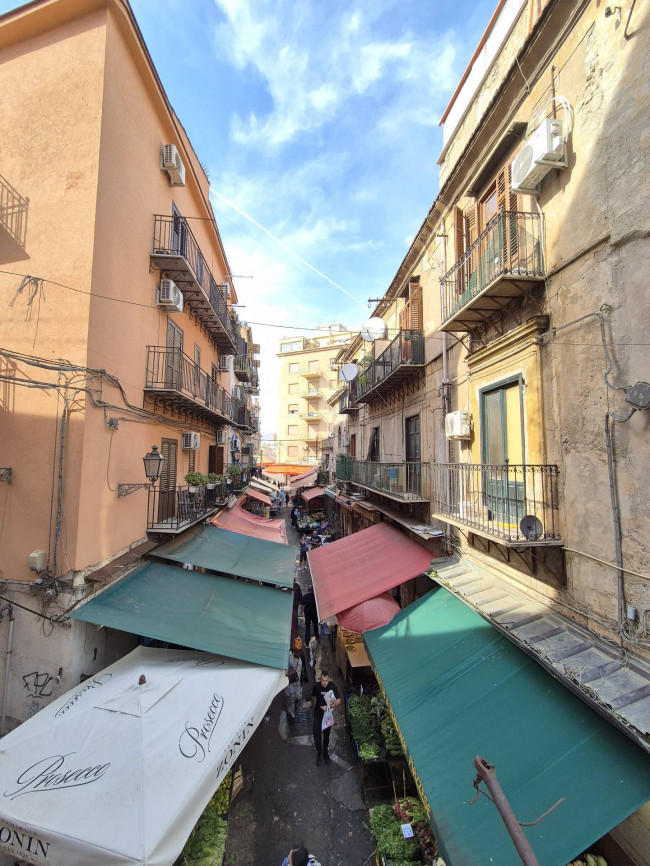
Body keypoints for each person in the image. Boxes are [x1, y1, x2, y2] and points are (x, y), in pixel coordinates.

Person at [311, 670, 341, 766]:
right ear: (320, 679)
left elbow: (339, 701)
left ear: (329, 679)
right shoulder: (316, 686)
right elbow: (313, 697)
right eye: (323, 680)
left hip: (327, 714)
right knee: (316, 734)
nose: (324, 683)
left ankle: (325, 752)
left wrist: (329, 707)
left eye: (326, 680)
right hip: (318, 713)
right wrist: (313, 706)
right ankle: (319, 753)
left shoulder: (332, 686)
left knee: (326, 735)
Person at [284, 637, 304, 720]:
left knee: (298, 697)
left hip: (297, 683)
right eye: (297, 650)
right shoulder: (289, 658)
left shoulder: (300, 658)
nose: (298, 652)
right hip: (290, 684)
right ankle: (291, 715)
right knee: (290, 699)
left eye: (299, 650)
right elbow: (285, 672)